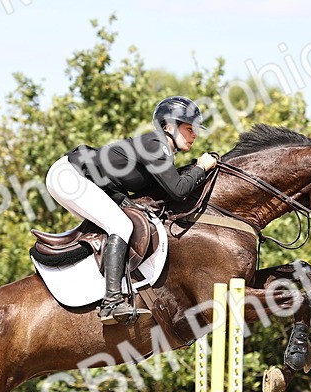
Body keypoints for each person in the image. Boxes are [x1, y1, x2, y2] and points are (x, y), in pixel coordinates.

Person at [45, 96, 219, 324]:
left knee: (118, 223)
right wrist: (201, 167)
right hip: (70, 176)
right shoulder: (156, 145)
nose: (194, 135)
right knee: (120, 225)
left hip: (79, 178)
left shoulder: (161, 150)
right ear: (169, 126)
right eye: (189, 128)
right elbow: (178, 190)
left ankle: (97, 285)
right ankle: (111, 302)